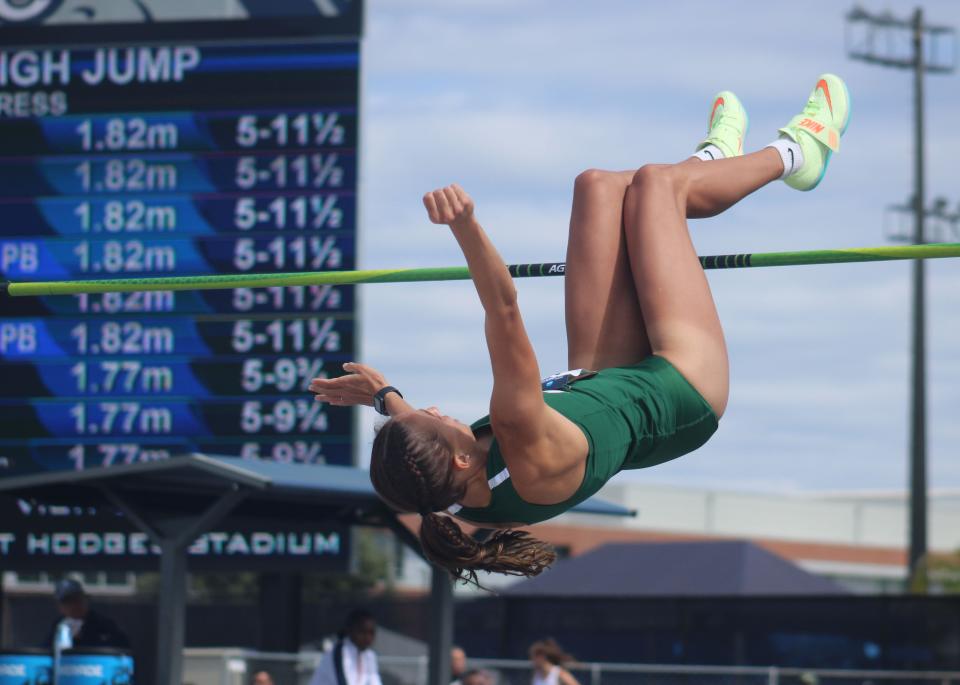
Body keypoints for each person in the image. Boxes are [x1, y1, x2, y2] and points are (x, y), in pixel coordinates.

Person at [310, 75, 851, 584]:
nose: (432, 411)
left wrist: (385, 397)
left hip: (596, 380)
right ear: (459, 457)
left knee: (595, 186)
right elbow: (502, 308)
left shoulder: (444, 482)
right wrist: (465, 226)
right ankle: (800, 152)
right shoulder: (516, 429)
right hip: (680, 393)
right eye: (434, 419)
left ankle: (708, 167)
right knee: (656, 188)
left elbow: (422, 445)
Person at [42, 577, 130, 649]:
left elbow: (122, 647)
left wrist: (82, 637)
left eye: (76, 600)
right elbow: (45, 650)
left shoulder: (103, 624)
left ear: (85, 599)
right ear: (60, 606)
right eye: (67, 602)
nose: (73, 606)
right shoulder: (59, 625)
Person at [308, 609, 383, 685]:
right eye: (362, 632)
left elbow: (375, 682)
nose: (367, 638)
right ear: (350, 630)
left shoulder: (369, 655)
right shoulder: (338, 653)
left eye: (371, 633)